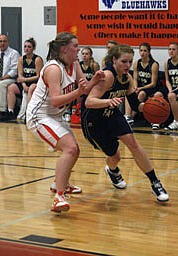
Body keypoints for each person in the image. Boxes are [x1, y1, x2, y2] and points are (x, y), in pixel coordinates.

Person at [26, 32, 104, 213]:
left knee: (74, 151)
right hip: (39, 116)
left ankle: (59, 184)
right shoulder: (53, 69)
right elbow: (56, 100)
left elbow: (83, 88)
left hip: (55, 115)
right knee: (70, 149)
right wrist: (78, 92)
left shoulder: (74, 63)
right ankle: (58, 197)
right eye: (75, 46)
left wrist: (95, 80)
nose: (78, 50)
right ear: (64, 49)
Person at [81, 44, 169, 203]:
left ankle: (155, 182)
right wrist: (108, 101)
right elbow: (88, 102)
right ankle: (112, 170)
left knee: (133, 143)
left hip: (112, 115)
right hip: (94, 121)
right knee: (115, 156)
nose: (128, 65)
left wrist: (149, 107)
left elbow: (135, 105)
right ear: (114, 60)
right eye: (124, 62)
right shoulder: (108, 76)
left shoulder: (127, 78)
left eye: (130, 62)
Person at [154, 42, 178, 130]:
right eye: (169, 49)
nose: (171, 51)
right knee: (157, 95)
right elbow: (167, 80)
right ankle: (158, 120)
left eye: (173, 49)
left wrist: (175, 89)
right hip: (171, 87)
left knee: (171, 96)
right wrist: (170, 89)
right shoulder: (167, 62)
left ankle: (177, 122)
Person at [6, 37, 43, 121]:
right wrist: (23, 84)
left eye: (29, 47)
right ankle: (10, 111)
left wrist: (24, 81)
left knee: (29, 90)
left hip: (34, 83)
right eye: (25, 46)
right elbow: (20, 75)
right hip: (24, 83)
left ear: (33, 48)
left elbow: (38, 76)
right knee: (11, 87)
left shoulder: (37, 59)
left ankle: (27, 113)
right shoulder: (21, 59)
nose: (26, 48)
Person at [133, 42, 159, 129]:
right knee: (130, 92)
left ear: (149, 52)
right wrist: (135, 87)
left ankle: (131, 117)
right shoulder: (137, 63)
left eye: (145, 51)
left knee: (141, 93)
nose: (142, 53)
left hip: (151, 88)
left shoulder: (154, 64)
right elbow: (135, 79)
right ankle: (127, 116)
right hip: (140, 87)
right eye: (141, 50)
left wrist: (140, 88)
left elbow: (153, 83)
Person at [0, 34, 20, 120]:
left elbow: (15, 70)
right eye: (0, 41)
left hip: (10, 79)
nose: (2, 43)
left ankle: (2, 111)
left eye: (4, 41)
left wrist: (3, 78)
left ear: (8, 42)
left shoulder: (14, 53)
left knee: (1, 84)